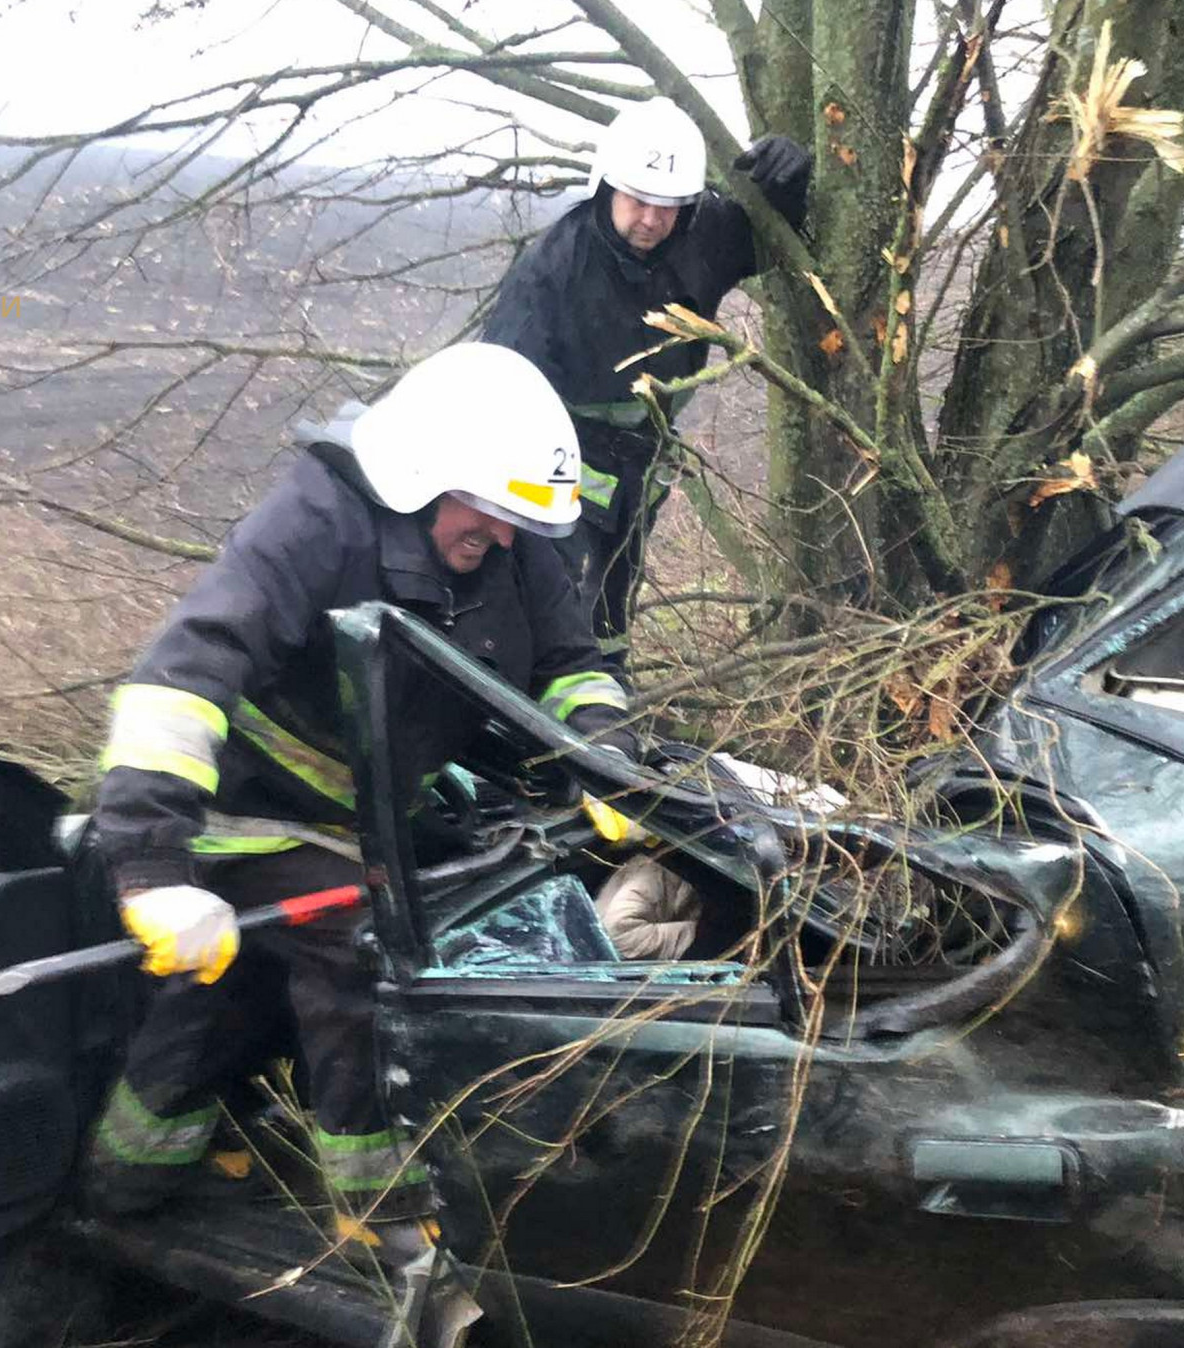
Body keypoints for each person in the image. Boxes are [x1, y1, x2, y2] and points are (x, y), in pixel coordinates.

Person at [81, 343, 634, 1252]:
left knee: (220, 1001)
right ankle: (377, 1212)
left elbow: (574, 665)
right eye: (490, 512)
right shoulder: (314, 521)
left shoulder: (509, 543)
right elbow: (180, 680)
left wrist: (608, 760)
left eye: (514, 522)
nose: (501, 537)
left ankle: (140, 1174)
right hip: (239, 818)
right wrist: (151, 869)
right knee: (364, 952)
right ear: (422, 477)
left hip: (363, 818)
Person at [483, 98, 811, 670]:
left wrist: (790, 181)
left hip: (641, 460)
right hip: (557, 459)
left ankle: (606, 696)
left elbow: (769, 236)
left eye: (668, 205)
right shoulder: (555, 268)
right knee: (552, 598)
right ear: (607, 186)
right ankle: (537, 697)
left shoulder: (700, 236)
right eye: (638, 200)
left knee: (611, 605)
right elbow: (501, 383)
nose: (652, 220)